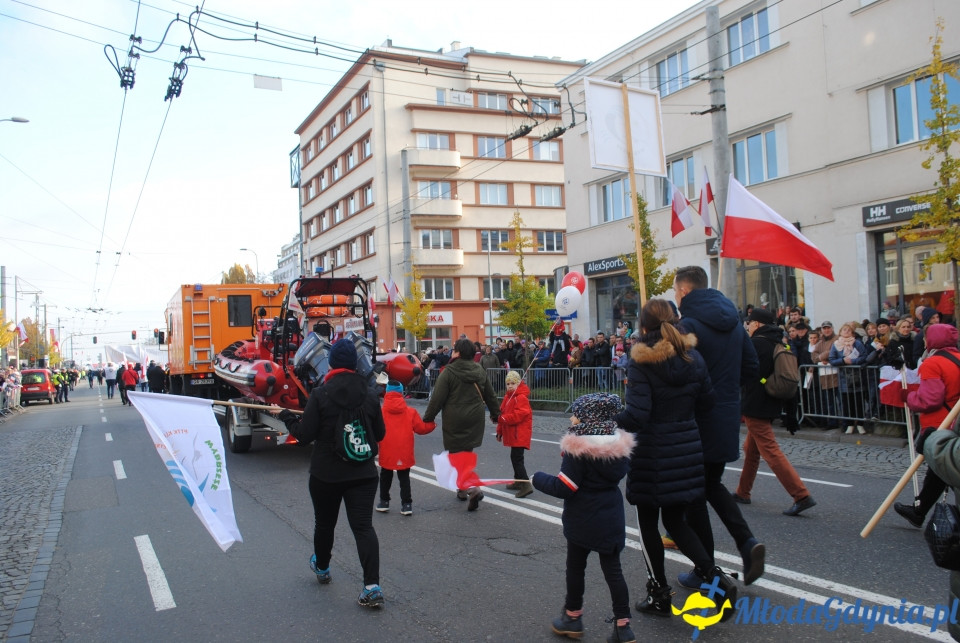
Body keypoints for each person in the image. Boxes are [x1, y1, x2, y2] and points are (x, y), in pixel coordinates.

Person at [616, 298, 738, 621]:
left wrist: (613, 419)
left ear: (644, 326)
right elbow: (707, 402)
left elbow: (637, 415)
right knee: (676, 522)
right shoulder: (693, 356)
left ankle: (658, 594)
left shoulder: (642, 360)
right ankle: (716, 580)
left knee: (647, 524)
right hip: (686, 449)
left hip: (652, 454)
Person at [275, 338, 387, 608]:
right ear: (354, 364)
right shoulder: (370, 394)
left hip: (326, 474)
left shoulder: (321, 394)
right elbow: (380, 433)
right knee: (363, 527)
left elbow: (304, 435)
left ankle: (323, 567)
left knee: (324, 524)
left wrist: (286, 416)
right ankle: (372, 587)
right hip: (363, 473)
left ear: (332, 363)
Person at [672, 266, 765, 588]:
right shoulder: (735, 324)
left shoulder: (688, 325)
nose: (675, 296)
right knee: (711, 484)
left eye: (676, 291)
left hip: (695, 419)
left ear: (684, 291)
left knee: (695, 494)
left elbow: (679, 374)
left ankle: (705, 570)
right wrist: (726, 392)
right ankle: (746, 542)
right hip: (725, 415)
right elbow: (751, 368)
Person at [533, 393, 637, 643]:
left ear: (589, 418)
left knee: (576, 567)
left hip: (582, 518)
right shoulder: (619, 446)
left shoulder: (578, 448)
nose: (572, 418)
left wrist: (538, 479)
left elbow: (565, 487)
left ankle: (572, 617)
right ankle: (623, 625)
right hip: (610, 516)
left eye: (576, 414)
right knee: (613, 571)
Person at [735, 308, 816, 516]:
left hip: (756, 402)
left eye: (750, 322)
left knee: (770, 450)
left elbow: (748, 372)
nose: (748, 326)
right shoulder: (778, 341)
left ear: (757, 324)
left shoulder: (756, 343)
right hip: (771, 400)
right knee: (751, 448)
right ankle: (743, 491)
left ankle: (801, 495)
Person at [894, 323, 960, 529]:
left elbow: (930, 399)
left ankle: (919, 511)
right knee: (939, 470)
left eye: (925, 337)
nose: (923, 341)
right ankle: (919, 510)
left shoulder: (933, 363)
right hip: (955, 423)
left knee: (945, 467)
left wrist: (909, 396)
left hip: (940, 425)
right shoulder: (957, 358)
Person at [422, 338, 500, 511]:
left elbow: (437, 399)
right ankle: (462, 489)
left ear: (458, 352)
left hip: (455, 418)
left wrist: (428, 419)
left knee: (456, 455)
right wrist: (496, 414)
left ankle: (472, 488)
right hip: (475, 417)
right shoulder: (479, 370)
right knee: (466, 453)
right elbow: (490, 394)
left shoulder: (449, 372)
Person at [376, 380, 434, 516]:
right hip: (404, 450)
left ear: (387, 392)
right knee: (404, 478)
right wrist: (432, 424)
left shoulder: (381, 412)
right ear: (401, 393)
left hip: (387, 449)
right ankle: (406, 504)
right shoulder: (410, 412)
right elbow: (421, 429)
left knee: (385, 476)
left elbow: (375, 430)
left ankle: (384, 502)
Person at [496, 371, 534, 499]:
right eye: (508, 384)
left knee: (517, 459)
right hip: (514, 434)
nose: (510, 386)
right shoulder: (508, 397)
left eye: (513, 383)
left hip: (519, 434)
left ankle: (525, 484)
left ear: (518, 383)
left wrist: (503, 419)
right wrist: (499, 431)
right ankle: (518, 481)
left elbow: (518, 415)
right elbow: (502, 413)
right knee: (515, 458)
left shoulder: (521, 398)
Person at [829, 322, 869, 434]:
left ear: (852, 333)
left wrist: (853, 362)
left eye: (849, 330)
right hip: (844, 378)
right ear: (840, 332)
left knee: (859, 402)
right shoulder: (836, 345)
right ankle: (849, 424)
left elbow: (864, 356)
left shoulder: (857, 343)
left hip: (857, 377)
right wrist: (842, 361)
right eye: (844, 330)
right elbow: (832, 359)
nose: (846, 332)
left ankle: (860, 424)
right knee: (847, 403)